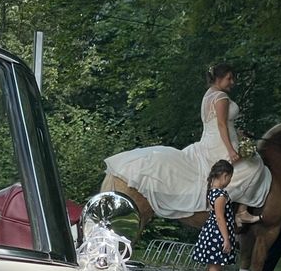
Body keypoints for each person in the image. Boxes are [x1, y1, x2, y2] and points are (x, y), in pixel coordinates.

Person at [104, 63, 271, 220]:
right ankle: (241, 211)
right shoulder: (221, 97)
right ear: (218, 79)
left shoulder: (209, 95)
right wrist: (231, 150)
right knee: (254, 165)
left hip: (209, 140)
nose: (232, 82)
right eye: (229, 78)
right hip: (219, 144)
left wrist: (238, 134)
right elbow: (221, 125)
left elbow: (219, 123)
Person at [192, 160, 236, 271]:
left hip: (211, 234)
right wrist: (227, 239)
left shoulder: (212, 191)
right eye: (230, 177)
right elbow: (220, 217)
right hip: (217, 235)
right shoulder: (221, 195)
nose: (230, 181)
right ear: (224, 175)